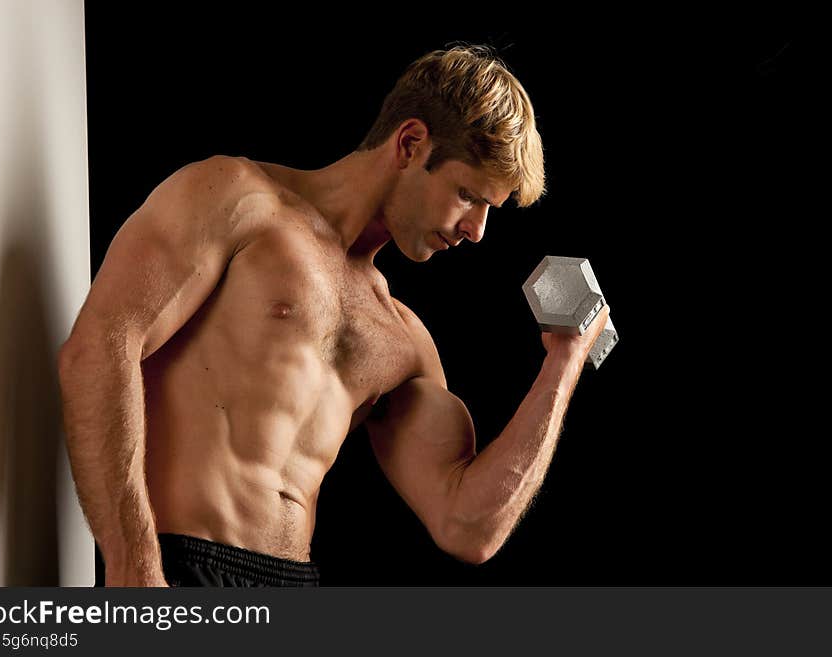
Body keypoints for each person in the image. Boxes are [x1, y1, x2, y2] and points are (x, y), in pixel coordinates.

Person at [57, 44, 610, 587]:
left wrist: (561, 368)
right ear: (411, 143)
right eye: (467, 195)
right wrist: (133, 566)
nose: (476, 230)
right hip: (176, 570)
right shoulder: (238, 201)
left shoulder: (401, 339)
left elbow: (466, 526)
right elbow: (102, 346)